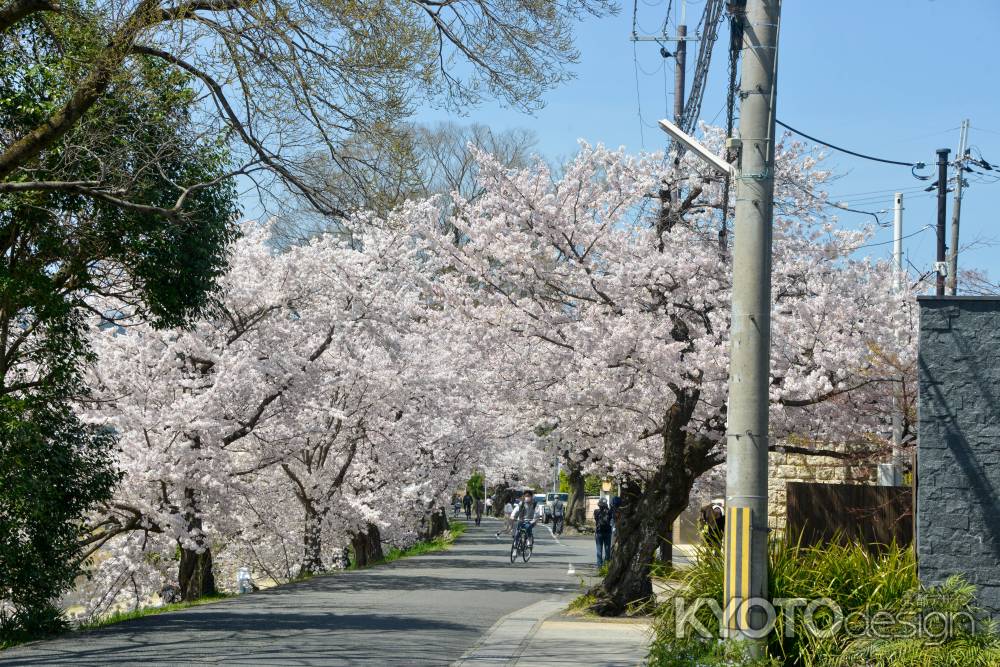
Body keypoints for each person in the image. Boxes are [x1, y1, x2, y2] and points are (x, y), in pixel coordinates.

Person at [594, 497, 614, 567]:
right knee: (607, 549)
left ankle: (599, 565)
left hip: (599, 532)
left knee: (599, 549)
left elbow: (596, 519)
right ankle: (607, 565)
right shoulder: (609, 512)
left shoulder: (596, 511)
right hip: (608, 532)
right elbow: (612, 517)